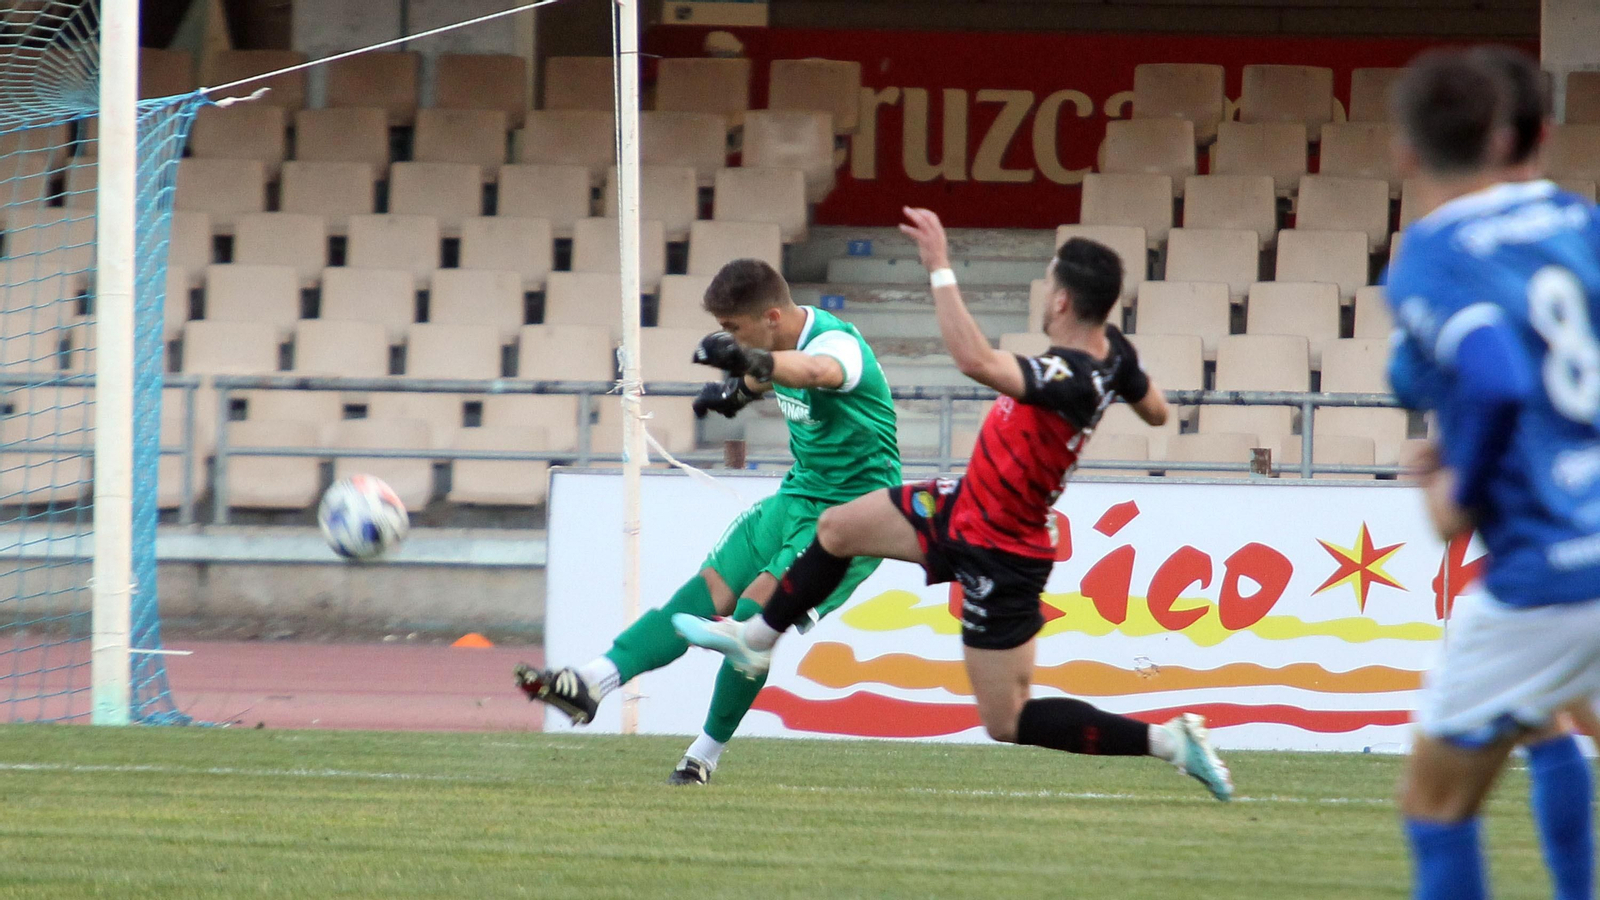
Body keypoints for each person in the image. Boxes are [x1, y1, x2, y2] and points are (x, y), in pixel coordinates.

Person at [675, 210, 1232, 802]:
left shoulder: (1070, 374)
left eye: (1048, 285)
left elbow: (976, 362)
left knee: (1007, 720)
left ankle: (1172, 743)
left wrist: (939, 266)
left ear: (1063, 301)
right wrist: (1126, 383)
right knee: (837, 527)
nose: (1044, 295)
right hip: (961, 504)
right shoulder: (1113, 355)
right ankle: (756, 637)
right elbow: (1158, 412)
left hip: (1003, 546)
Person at [514, 258, 901, 785]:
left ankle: (703, 755)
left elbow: (817, 373)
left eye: (732, 328)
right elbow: (771, 373)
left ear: (769, 317)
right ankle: (591, 682)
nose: (726, 337)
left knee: (752, 617)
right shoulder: (776, 345)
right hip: (797, 496)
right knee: (704, 593)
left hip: (854, 517)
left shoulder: (838, 345)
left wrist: (749, 361)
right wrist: (736, 392)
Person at [1384, 48, 1600, 900]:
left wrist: (1457, 489)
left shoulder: (1432, 255)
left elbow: (1498, 371)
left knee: (1436, 804)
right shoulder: (1581, 223)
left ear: (1406, 151)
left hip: (1543, 577)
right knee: (1555, 727)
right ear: (1527, 136)